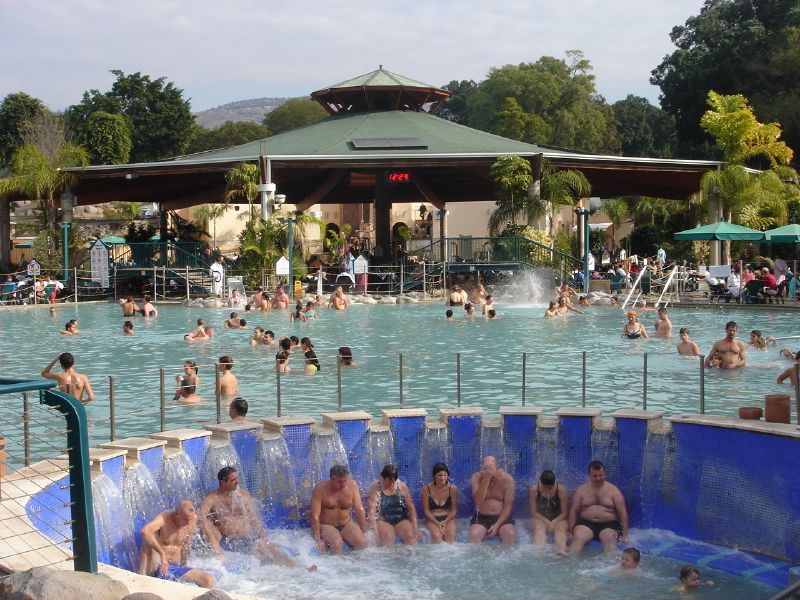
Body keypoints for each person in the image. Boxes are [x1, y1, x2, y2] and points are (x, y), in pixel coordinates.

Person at [199, 467, 300, 567]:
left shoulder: (243, 494)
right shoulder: (212, 499)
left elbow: (254, 517)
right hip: (227, 543)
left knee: (268, 550)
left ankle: (297, 567)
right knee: (207, 523)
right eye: (233, 480)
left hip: (248, 540)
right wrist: (215, 545)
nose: (237, 482)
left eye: (237, 478)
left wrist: (262, 537)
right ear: (223, 482)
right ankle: (295, 566)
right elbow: (202, 517)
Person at [138, 500, 215, 588]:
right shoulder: (164, 519)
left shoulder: (192, 519)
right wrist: (162, 555)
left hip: (175, 567)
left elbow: (187, 544)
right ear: (176, 514)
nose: (188, 523)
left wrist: (184, 565)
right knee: (148, 540)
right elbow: (145, 531)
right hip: (158, 566)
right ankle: (142, 578)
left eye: (190, 519)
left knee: (208, 580)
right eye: (185, 519)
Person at [568, 460, 629, 553]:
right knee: (578, 537)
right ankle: (571, 560)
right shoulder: (581, 490)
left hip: (608, 525)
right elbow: (573, 511)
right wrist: (570, 531)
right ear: (589, 475)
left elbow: (622, 513)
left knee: (609, 538)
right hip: (586, 524)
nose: (598, 478)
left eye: (601, 475)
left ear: (605, 474)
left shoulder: (613, 491)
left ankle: (610, 562)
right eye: (595, 476)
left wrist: (625, 534)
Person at [309, 464, 367, 554]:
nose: (343, 484)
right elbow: (314, 515)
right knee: (336, 544)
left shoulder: (352, 485)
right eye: (340, 482)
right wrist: (318, 539)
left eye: (345, 480)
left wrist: (363, 531)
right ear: (332, 479)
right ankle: (336, 563)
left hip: (346, 523)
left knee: (362, 542)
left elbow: (359, 509)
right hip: (326, 525)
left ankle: (354, 562)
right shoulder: (320, 488)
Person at [367, 464, 421, 547]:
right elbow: (371, 512)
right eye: (389, 481)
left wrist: (415, 528)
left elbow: (411, 508)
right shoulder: (375, 488)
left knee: (410, 535)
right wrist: (375, 532)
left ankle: (412, 555)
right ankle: (389, 555)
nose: (392, 483)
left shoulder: (401, 486)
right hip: (383, 521)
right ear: (383, 478)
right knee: (388, 536)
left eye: (394, 481)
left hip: (400, 520)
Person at [469, 455, 516, 545]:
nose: (489, 472)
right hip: (481, 516)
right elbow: (478, 501)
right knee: (474, 535)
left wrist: (497, 525)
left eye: (491, 468)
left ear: (497, 467)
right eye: (486, 469)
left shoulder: (508, 480)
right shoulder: (477, 477)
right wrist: (486, 479)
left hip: (501, 517)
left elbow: (508, 507)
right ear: (482, 469)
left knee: (510, 534)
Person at [529, 470, 569, 555]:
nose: (547, 490)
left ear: (554, 483)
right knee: (539, 527)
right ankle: (539, 551)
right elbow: (533, 513)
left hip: (558, 519)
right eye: (544, 487)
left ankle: (561, 551)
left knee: (561, 528)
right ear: (540, 483)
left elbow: (565, 513)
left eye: (550, 488)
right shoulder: (534, 490)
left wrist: (555, 521)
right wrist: (545, 520)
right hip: (540, 518)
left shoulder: (561, 490)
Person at [421, 463, 458, 544]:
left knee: (451, 536)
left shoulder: (452, 489)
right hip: (432, 519)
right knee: (437, 536)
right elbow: (426, 510)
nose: (443, 478)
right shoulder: (426, 489)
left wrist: (445, 522)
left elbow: (454, 510)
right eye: (440, 475)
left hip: (448, 518)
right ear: (434, 476)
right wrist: (437, 523)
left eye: (445, 475)